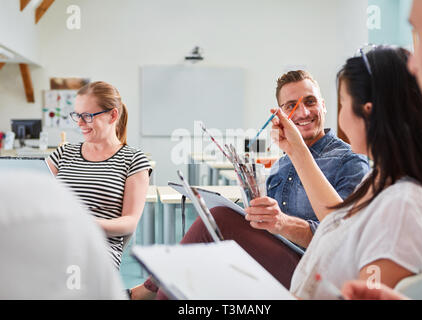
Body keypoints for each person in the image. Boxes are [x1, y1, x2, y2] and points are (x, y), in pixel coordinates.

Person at [131, 70, 370, 299]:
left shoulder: (349, 161)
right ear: (280, 115)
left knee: (219, 218)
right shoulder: (282, 164)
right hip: (277, 257)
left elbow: (343, 238)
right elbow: (270, 226)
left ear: (324, 105)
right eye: (291, 106)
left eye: (310, 101)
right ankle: (156, 289)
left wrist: (282, 223)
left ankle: (148, 292)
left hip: (315, 269)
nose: (303, 112)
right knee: (212, 247)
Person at [270, 45, 422, 299]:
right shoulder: (382, 181)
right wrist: (297, 150)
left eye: (343, 103)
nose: (341, 117)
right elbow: (338, 216)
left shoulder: (403, 206)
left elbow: (367, 292)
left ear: (367, 110)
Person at [341, 0, 422, 300]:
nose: (413, 65)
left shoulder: (404, 203)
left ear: (368, 111)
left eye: (421, 34)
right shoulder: (389, 186)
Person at [46, 81, 152, 269]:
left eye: (87, 116)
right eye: (77, 115)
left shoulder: (134, 160)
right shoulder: (63, 153)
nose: (79, 123)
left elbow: (129, 222)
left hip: (98, 247)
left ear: (113, 115)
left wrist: (84, 223)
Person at [0, 171, 126, 299]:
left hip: (87, 237)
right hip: (69, 235)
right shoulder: (54, 192)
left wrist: (83, 221)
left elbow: (130, 222)